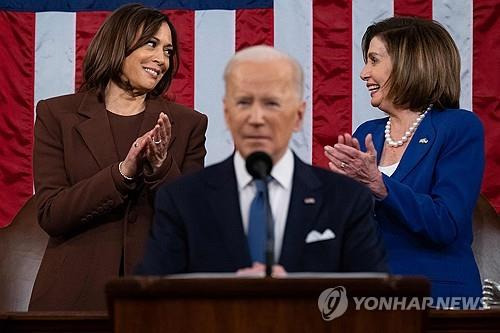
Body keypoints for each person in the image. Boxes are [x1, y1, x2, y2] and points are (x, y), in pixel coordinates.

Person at [137, 45, 387, 276]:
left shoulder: (346, 200)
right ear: (227, 113)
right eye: (244, 103)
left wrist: (297, 295)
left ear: (298, 116)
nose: (256, 118)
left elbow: (372, 302)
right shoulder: (182, 199)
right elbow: (150, 300)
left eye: (271, 103)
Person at [29, 4, 207, 310]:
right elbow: (51, 214)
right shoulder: (57, 115)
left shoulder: (188, 123)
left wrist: (162, 167)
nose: (161, 59)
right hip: (73, 300)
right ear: (117, 43)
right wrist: (122, 173)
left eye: (168, 50)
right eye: (151, 44)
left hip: (157, 301)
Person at [324, 17, 484, 299]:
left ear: (408, 63)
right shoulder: (366, 134)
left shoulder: (458, 127)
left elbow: (446, 223)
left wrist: (380, 186)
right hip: (367, 296)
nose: (363, 73)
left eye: (373, 60)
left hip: (436, 297)